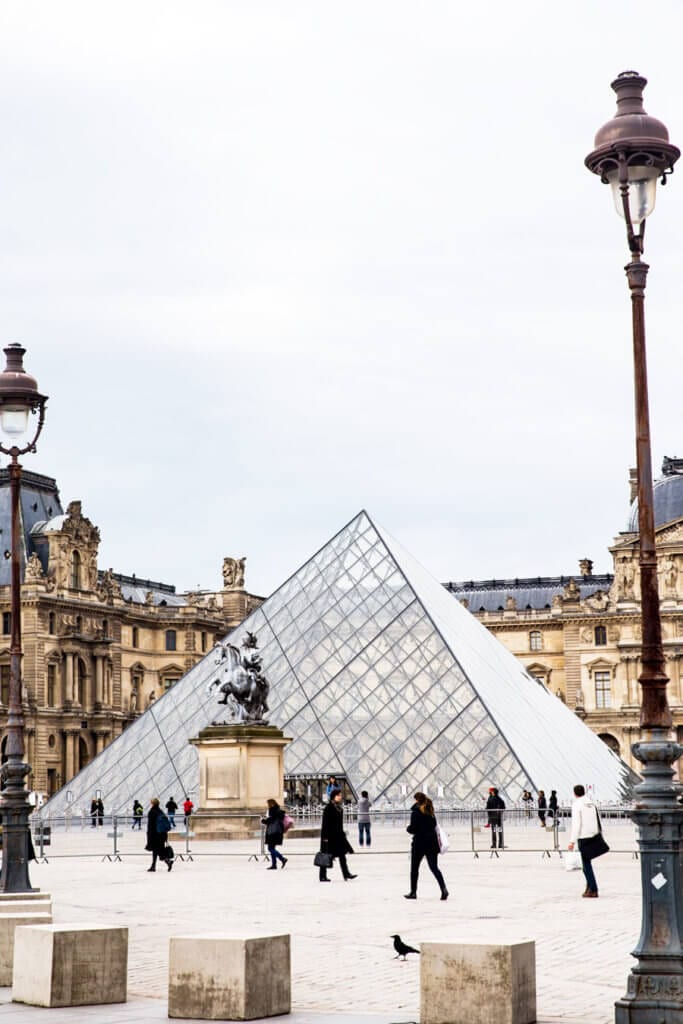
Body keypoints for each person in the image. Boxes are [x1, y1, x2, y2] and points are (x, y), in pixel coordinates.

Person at [404, 792, 448, 901]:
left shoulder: (415, 812)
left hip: (419, 843)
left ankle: (413, 892)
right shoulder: (430, 811)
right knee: (434, 867)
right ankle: (443, 889)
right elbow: (433, 826)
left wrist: (408, 828)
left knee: (414, 868)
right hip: (431, 843)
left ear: (416, 800)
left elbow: (413, 829)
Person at [568, 784, 601, 898]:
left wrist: (572, 841)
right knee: (587, 863)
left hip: (583, 837)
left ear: (575, 793)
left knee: (586, 865)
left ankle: (593, 888)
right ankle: (588, 888)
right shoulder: (591, 803)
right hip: (593, 835)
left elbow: (576, 824)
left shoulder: (577, 805)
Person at [318, 788, 356, 882]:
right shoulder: (329, 808)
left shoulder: (339, 808)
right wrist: (325, 837)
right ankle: (322, 876)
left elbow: (339, 824)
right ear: (333, 796)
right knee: (325, 856)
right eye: (338, 795)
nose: (340, 797)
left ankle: (346, 874)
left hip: (338, 836)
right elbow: (325, 824)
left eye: (340, 795)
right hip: (330, 837)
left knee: (342, 856)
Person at [146, 797, 173, 872]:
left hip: (155, 834)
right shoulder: (160, 811)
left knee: (157, 850)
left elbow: (150, 825)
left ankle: (167, 861)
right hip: (162, 834)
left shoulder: (152, 812)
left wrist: (149, 834)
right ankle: (154, 865)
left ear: (152, 803)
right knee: (157, 850)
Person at [262, 798, 288, 870]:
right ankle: (274, 864)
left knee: (270, 848)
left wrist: (263, 820)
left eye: (268, 804)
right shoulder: (278, 810)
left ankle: (282, 859)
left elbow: (270, 820)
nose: (268, 805)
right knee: (272, 848)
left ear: (271, 804)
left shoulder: (273, 811)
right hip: (277, 832)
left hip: (272, 832)